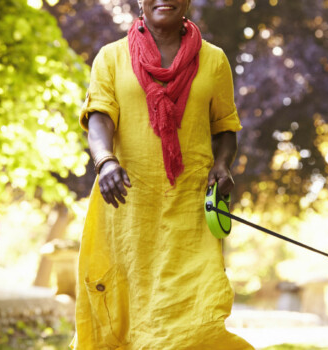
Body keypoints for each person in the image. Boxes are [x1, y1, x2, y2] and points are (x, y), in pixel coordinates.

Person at [72, 0, 252, 348]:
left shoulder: (214, 60)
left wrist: (222, 164)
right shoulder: (111, 57)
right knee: (125, 315)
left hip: (190, 209)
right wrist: (106, 161)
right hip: (127, 209)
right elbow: (99, 118)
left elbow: (225, 128)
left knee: (196, 315)